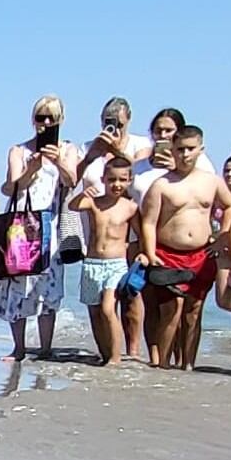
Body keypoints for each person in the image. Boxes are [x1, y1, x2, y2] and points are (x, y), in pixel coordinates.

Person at [135, 128, 229, 370]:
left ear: (200, 150)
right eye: (180, 149)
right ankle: (164, 365)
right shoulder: (162, 184)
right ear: (172, 150)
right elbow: (148, 221)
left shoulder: (211, 181)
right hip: (168, 253)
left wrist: (222, 236)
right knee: (171, 309)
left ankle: (188, 365)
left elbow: (230, 206)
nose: (185, 154)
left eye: (190, 149)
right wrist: (150, 251)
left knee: (194, 311)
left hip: (201, 254)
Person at [0, 96, 77, 361]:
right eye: (41, 118)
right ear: (33, 120)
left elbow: (71, 180)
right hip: (21, 223)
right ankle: (18, 347)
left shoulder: (68, 149)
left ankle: (45, 347)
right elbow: (9, 186)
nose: (46, 123)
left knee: (48, 285)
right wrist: (32, 168)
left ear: (60, 120)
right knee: (18, 280)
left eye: (52, 118)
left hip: (50, 223)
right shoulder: (19, 150)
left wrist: (58, 161)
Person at [69, 153, 137, 365]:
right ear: (103, 180)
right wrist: (83, 194)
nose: (117, 184)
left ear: (129, 181)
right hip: (92, 264)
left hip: (116, 264)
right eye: (112, 179)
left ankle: (115, 358)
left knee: (108, 309)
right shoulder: (94, 204)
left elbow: (141, 235)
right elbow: (73, 206)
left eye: (122, 180)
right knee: (95, 312)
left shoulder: (130, 207)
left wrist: (142, 254)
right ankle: (105, 355)